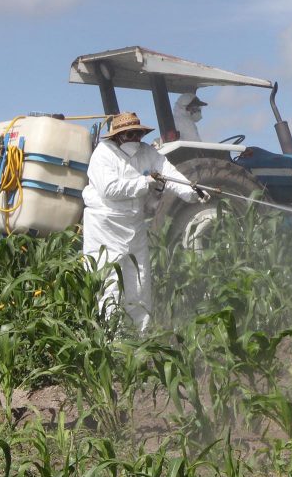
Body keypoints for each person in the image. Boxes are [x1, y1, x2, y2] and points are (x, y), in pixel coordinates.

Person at [82, 111, 209, 332]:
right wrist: (145, 182)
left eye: (137, 134)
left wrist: (192, 191)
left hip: (134, 224)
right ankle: (110, 340)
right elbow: (109, 188)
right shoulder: (103, 154)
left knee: (139, 283)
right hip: (105, 225)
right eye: (129, 134)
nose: (134, 139)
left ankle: (139, 340)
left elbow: (169, 174)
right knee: (109, 283)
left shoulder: (147, 153)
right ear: (117, 136)